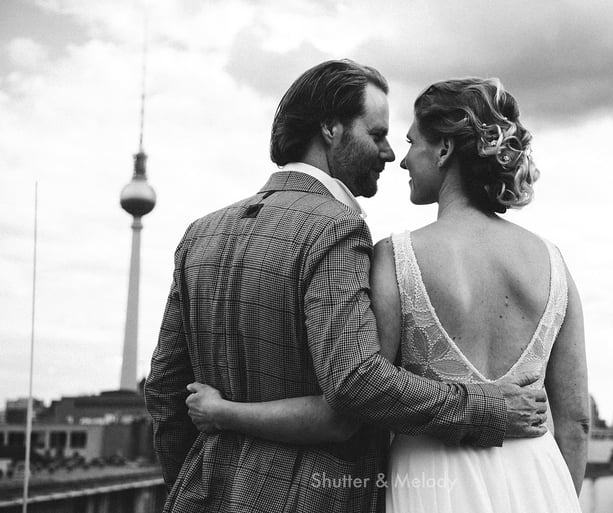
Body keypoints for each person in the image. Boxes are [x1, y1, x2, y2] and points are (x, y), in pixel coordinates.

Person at [144, 60, 550, 513]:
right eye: (376, 134)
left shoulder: (201, 233)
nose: (390, 153)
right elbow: (355, 381)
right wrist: (486, 408)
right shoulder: (336, 226)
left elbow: (164, 390)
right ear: (331, 129)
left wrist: (196, 485)